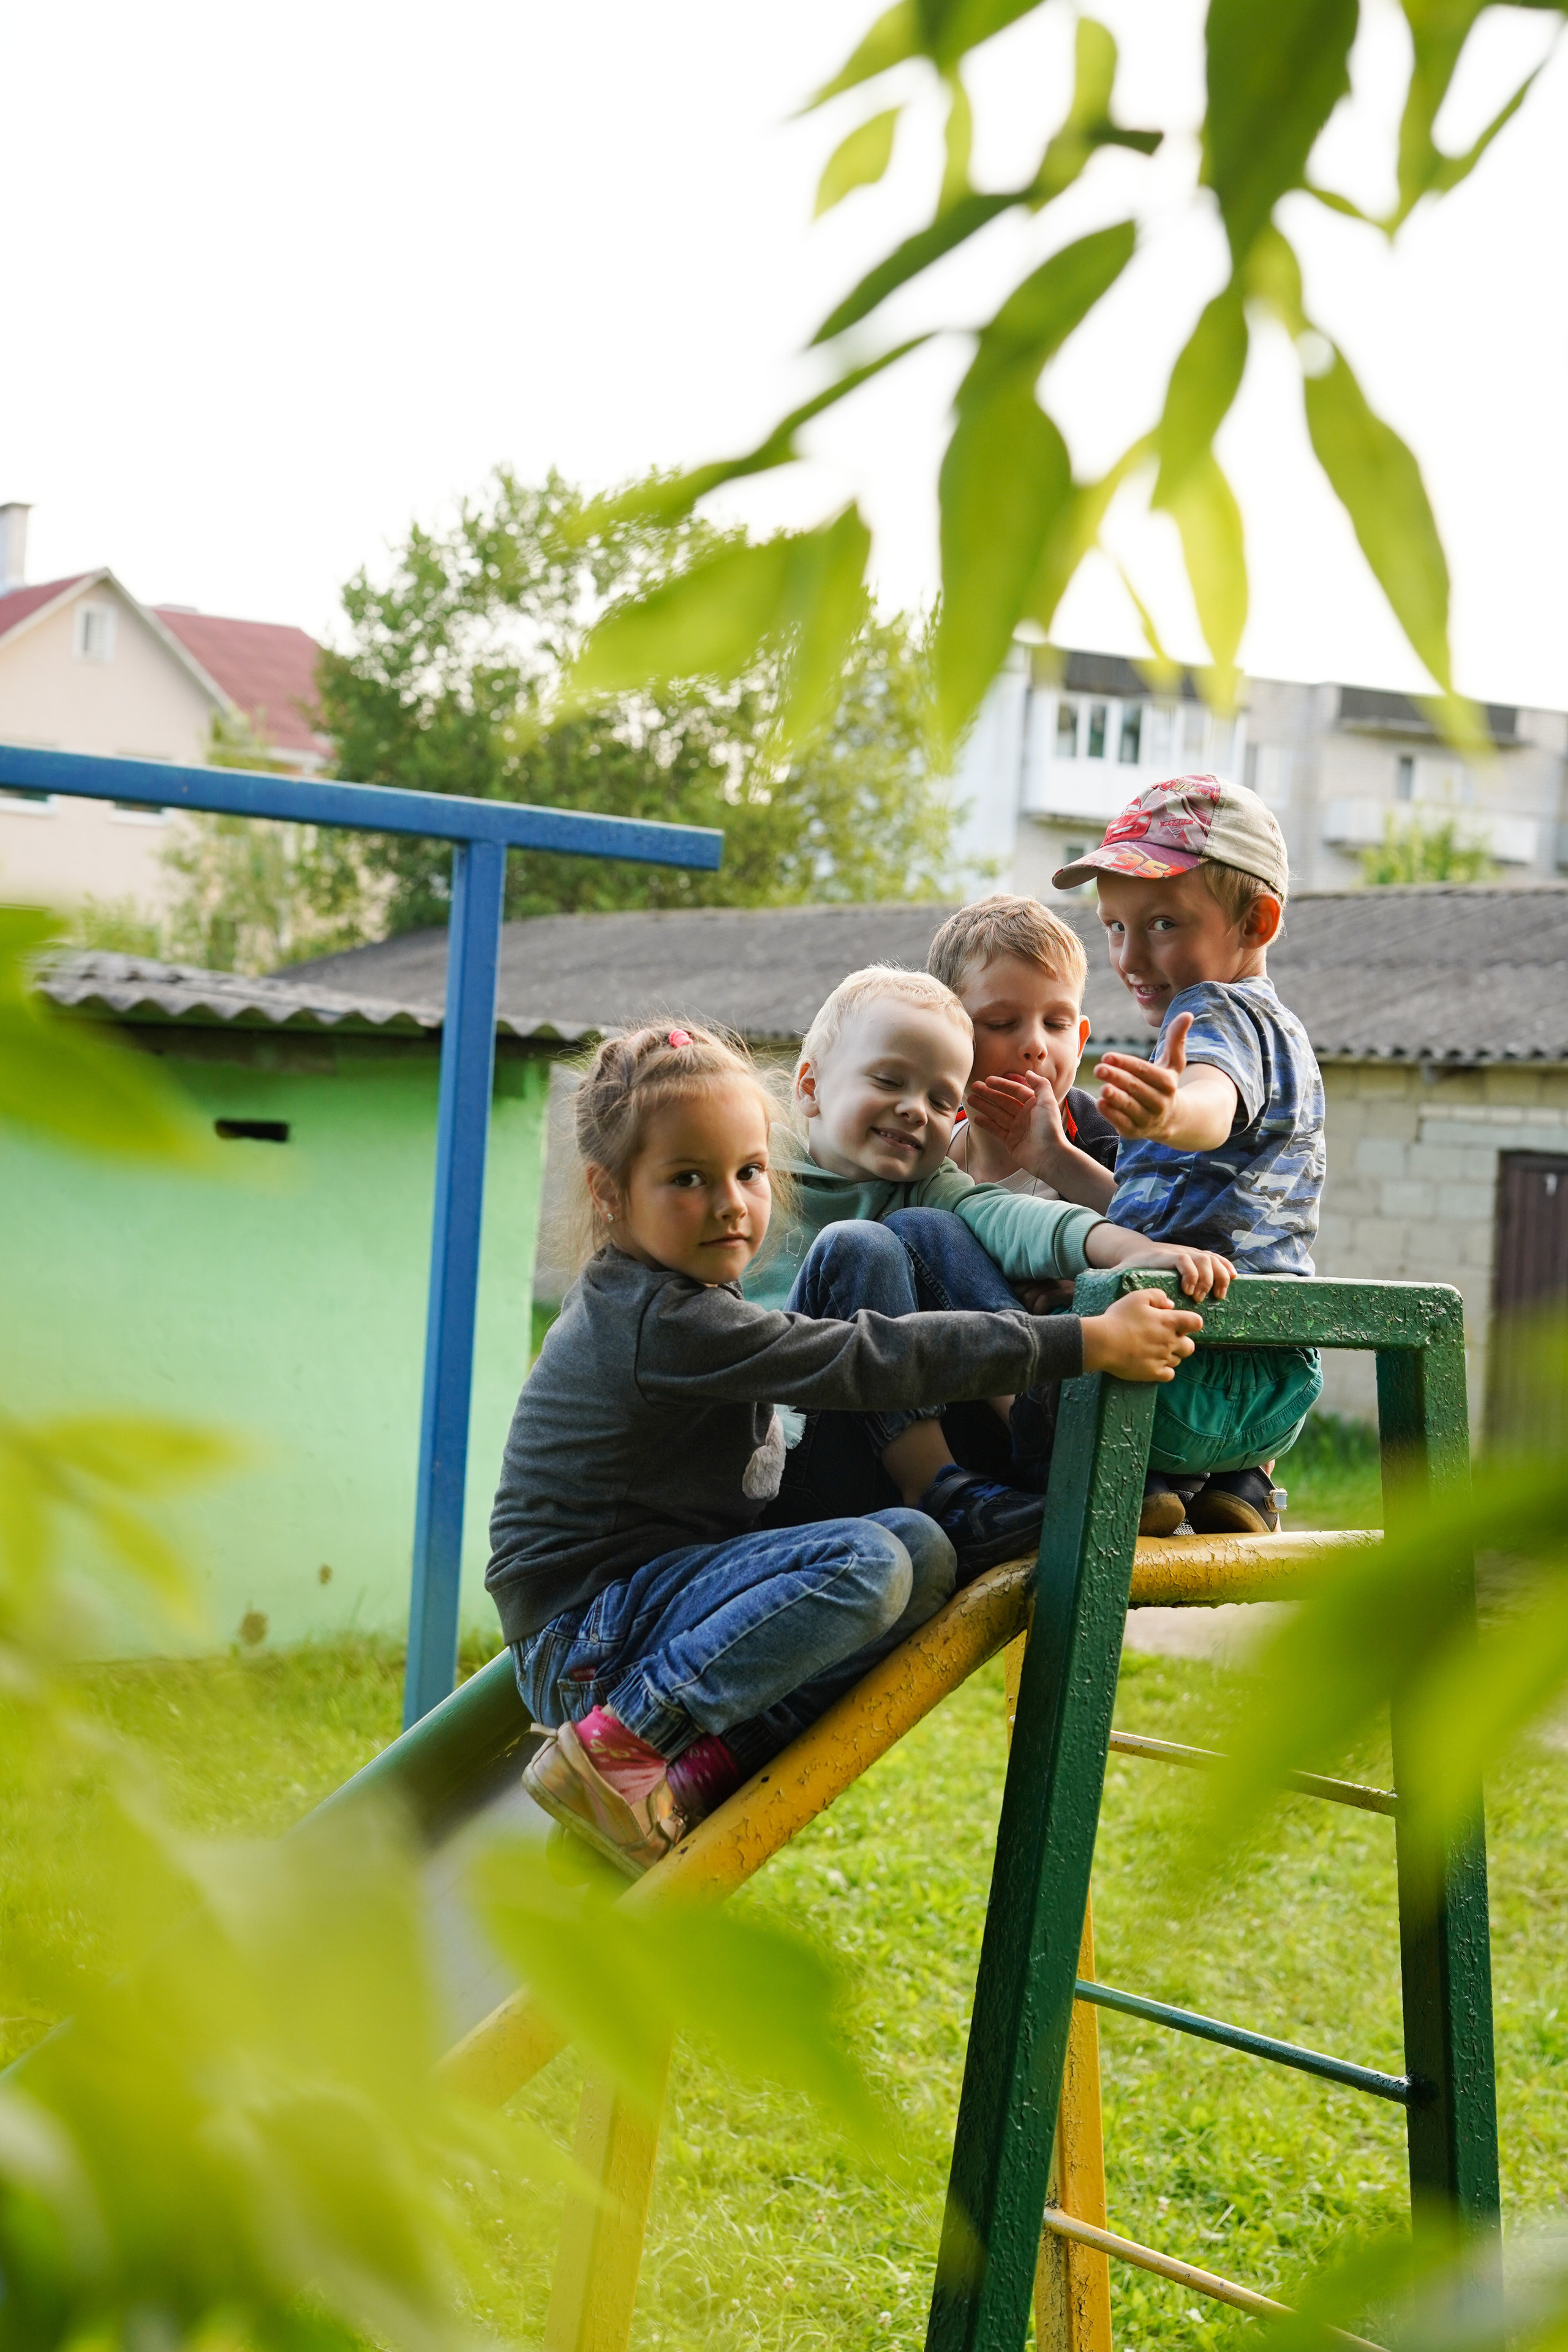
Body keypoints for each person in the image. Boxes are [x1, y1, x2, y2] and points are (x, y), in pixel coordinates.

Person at [488, 1020, 1205, 1875]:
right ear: (610, 1194)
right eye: (688, 1179)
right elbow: (868, 1356)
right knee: (866, 1561)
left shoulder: (692, 1292)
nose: (732, 1203)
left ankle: (701, 1769)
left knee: (922, 1553)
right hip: (591, 1635)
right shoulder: (659, 1319)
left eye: (750, 1172)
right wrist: (1078, 1341)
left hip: (672, 1593)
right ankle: (624, 1745)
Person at [747, 967, 1232, 1574]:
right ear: (811, 1087)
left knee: (941, 1231)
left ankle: (1014, 1455)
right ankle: (946, 1489)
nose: (913, 1110)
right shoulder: (750, 1175)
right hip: (769, 1466)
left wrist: (1130, 1250)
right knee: (860, 1248)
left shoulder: (928, 1187)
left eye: (940, 1100)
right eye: (888, 1081)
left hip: (868, 1476)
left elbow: (1015, 1219)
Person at [1047, 772, 1327, 1536]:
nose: (1130, 954)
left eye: (1162, 922)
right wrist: (1050, 1156)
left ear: (1255, 922)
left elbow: (1212, 1101)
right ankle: (1242, 1483)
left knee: (1024, 1309)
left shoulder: (1212, 1011)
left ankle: (1139, 1473)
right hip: (1276, 1370)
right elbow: (1154, 1211)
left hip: (1174, 1358)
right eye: (1113, 927)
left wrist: (1173, 1112)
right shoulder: (1288, 1038)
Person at [929, 892, 1118, 1210]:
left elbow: (1164, 1232)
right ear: (944, 1037)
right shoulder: (923, 1136)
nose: (1035, 1045)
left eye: (1056, 1024)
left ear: (1081, 1043)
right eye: (1001, 1023)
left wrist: (1059, 1162)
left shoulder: (1113, 1148)